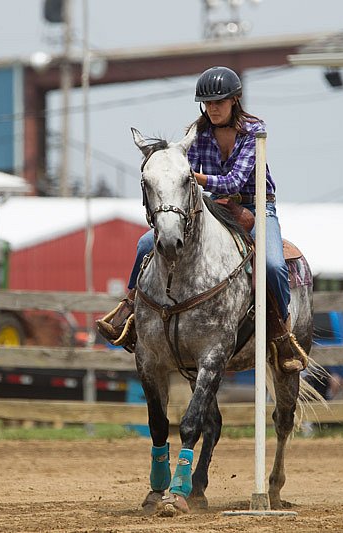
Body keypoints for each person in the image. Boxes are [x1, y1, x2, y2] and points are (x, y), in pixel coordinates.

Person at [96, 65, 305, 373]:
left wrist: (195, 178)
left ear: (235, 100)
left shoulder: (254, 131)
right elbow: (182, 179)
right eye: (207, 103)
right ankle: (130, 312)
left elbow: (234, 182)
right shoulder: (195, 135)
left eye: (219, 101)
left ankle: (281, 332)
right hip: (212, 205)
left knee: (272, 264)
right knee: (145, 243)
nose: (213, 108)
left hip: (256, 206)